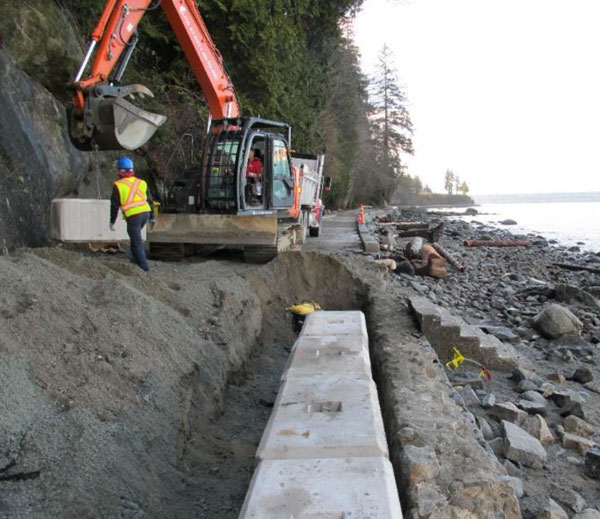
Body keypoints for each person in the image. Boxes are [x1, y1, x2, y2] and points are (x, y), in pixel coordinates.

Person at [109, 156, 155, 272]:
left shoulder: (118, 185)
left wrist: (112, 221)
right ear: (132, 170)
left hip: (134, 216)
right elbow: (150, 200)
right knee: (135, 239)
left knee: (137, 242)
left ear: (120, 171)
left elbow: (114, 205)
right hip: (145, 214)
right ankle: (136, 260)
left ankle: (145, 268)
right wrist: (152, 216)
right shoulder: (141, 182)